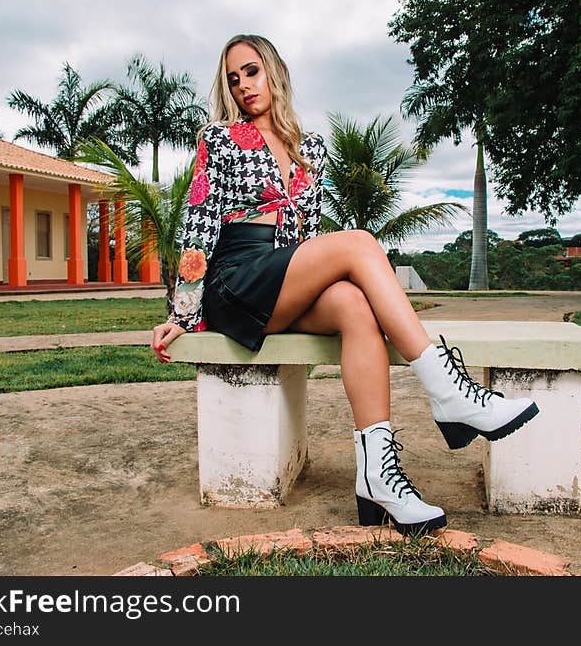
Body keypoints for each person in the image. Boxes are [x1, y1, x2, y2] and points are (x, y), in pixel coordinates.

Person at [150, 34, 539, 535]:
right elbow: (198, 223)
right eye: (233, 78)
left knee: (355, 306)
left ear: (274, 70)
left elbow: (309, 239)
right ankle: (448, 390)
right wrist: (181, 313)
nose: (244, 85)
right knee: (357, 242)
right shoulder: (220, 139)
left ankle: (378, 477)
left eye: (251, 71)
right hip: (236, 278)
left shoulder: (310, 149)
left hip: (285, 274)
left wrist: (315, 268)